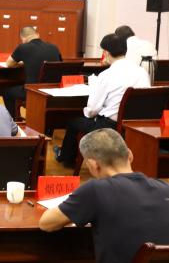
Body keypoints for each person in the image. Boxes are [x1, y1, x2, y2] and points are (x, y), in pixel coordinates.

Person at [38, 129, 169, 263]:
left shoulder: (95, 190)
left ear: (93, 165)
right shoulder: (168, 189)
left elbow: (46, 223)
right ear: (130, 155)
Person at [54, 34, 150, 167]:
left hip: (111, 126)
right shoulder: (142, 72)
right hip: (136, 125)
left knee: (73, 122)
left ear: (106, 53)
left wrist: (87, 113)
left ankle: (67, 159)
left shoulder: (107, 75)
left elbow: (92, 110)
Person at [1, 26, 62, 118]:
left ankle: (13, 121)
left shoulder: (23, 47)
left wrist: (22, 63)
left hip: (33, 91)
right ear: (37, 35)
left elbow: (9, 64)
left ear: (23, 38)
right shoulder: (54, 47)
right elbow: (59, 64)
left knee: (7, 92)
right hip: (53, 90)